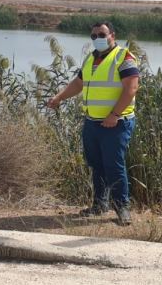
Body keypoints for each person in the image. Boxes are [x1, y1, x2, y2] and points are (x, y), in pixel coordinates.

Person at [47, 21, 139, 225]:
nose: (98, 38)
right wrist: (59, 97)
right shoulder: (91, 58)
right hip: (93, 122)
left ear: (112, 35)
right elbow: (79, 83)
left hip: (116, 123)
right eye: (94, 36)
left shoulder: (123, 57)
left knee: (114, 166)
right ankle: (99, 204)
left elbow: (131, 88)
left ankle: (122, 208)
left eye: (102, 34)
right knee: (96, 165)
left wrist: (114, 115)